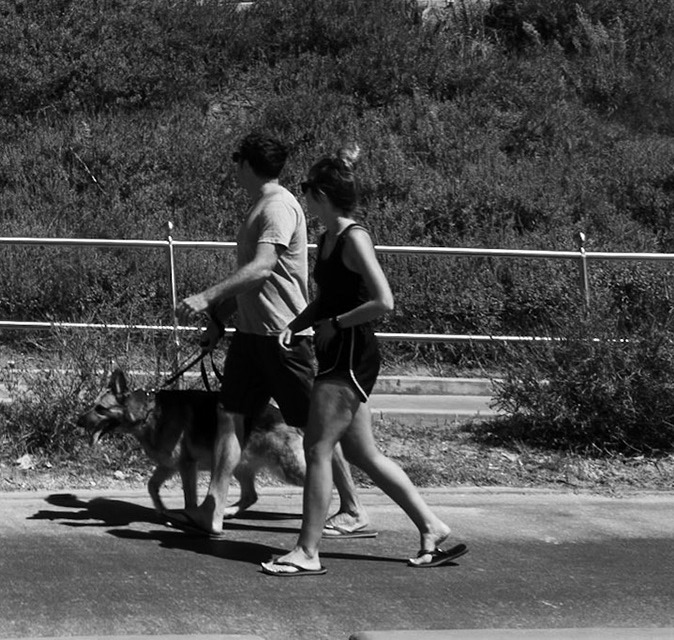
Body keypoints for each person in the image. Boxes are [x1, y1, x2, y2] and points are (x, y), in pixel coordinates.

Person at [259, 147, 467, 577]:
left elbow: (383, 301)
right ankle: (432, 527)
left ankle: (307, 551)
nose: (304, 196)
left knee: (317, 449)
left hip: (351, 355)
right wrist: (297, 324)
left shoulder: (355, 238)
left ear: (321, 194)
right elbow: (328, 298)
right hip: (335, 351)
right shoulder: (327, 239)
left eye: (307, 189)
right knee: (362, 453)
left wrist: (336, 323)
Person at [176, 131, 368, 537]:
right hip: (250, 336)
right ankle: (213, 508)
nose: (235, 169)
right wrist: (219, 320)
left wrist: (207, 297)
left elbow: (263, 268)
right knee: (230, 417)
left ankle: (352, 508)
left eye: (237, 162)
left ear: (247, 164)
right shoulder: (260, 205)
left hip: (284, 337)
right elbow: (252, 280)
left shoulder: (279, 205)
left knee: (316, 427)